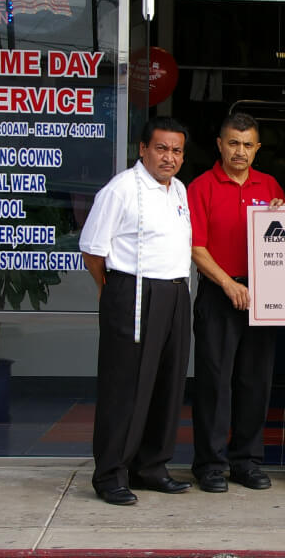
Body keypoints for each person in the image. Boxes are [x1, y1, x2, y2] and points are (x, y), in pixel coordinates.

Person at [79, 116, 192, 506]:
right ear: (143, 149)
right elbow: (93, 249)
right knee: (125, 387)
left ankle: (151, 466)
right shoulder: (122, 189)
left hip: (176, 292)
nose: (169, 157)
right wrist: (110, 291)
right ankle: (110, 473)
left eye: (176, 150)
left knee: (166, 383)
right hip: (134, 290)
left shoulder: (178, 190)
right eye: (161, 148)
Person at [187, 112, 285, 493]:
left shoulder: (271, 185)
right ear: (220, 144)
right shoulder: (200, 187)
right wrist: (228, 284)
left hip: (262, 296)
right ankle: (210, 465)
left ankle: (246, 461)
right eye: (233, 143)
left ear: (257, 148)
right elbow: (196, 247)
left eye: (247, 145)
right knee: (214, 382)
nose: (240, 151)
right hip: (218, 292)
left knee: (255, 383)